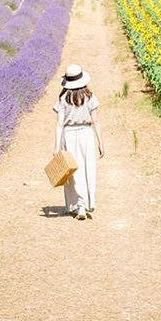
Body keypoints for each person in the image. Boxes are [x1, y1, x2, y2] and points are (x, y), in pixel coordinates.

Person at [52, 63, 104, 220]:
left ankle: (77, 205)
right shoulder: (89, 97)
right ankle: (83, 204)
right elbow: (96, 121)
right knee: (87, 168)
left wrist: (56, 146)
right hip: (86, 135)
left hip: (68, 135)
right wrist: (100, 141)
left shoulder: (63, 98)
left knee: (73, 171)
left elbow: (59, 123)